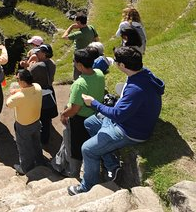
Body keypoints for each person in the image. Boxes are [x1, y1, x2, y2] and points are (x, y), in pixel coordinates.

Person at [68, 46, 165, 195]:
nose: (115, 64)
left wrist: (93, 103)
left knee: (87, 149)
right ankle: (112, 165)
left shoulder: (135, 89)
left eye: (117, 62)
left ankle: (87, 187)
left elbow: (118, 115)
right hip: (129, 120)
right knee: (90, 122)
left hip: (130, 130)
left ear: (122, 66)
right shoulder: (144, 74)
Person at [58, 48, 106, 178]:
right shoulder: (99, 73)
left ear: (79, 65)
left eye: (74, 61)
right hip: (95, 117)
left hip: (80, 120)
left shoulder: (80, 84)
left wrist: (63, 115)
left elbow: (75, 109)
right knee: (89, 144)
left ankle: (73, 174)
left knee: (76, 148)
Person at [6, 69, 46, 174]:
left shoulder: (18, 97)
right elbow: (27, 90)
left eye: (18, 79)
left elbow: (8, 104)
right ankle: (40, 160)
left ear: (23, 82)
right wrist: (19, 90)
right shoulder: (37, 87)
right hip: (36, 121)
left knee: (23, 147)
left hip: (23, 125)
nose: (17, 81)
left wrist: (13, 93)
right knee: (36, 142)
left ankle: (26, 168)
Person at [27, 44, 57, 144]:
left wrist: (28, 66)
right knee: (47, 118)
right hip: (49, 90)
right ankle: (46, 137)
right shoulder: (52, 63)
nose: (36, 53)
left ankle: (41, 140)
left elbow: (27, 76)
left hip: (39, 93)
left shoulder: (37, 66)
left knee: (40, 116)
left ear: (44, 54)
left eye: (38, 52)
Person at [62, 12, 99, 79]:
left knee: (77, 74)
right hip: (89, 54)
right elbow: (97, 39)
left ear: (79, 22)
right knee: (88, 71)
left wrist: (71, 28)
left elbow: (64, 37)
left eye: (76, 22)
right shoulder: (91, 28)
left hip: (79, 56)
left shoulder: (79, 33)